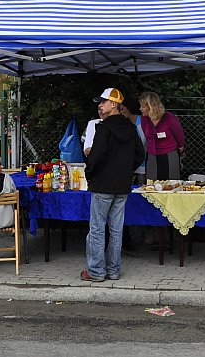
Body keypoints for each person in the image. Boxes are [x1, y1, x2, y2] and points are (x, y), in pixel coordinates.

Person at [81, 88, 145, 282]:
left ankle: (96, 271)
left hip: (103, 184)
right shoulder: (130, 128)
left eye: (103, 102)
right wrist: (126, 170)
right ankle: (113, 270)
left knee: (97, 229)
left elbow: (95, 157)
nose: (100, 106)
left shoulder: (104, 128)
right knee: (116, 230)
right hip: (122, 185)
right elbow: (140, 154)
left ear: (114, 104)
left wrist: (90, 175)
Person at [139, 91, 185, 181]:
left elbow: (180, 137)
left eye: (143, 106)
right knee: (152, 183)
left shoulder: (170, 118)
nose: (140, 109)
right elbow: (147, 135)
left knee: (171, 183)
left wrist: (180, 147)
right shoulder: (144, 119)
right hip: (152, 156)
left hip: (169, 155)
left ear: (151, 106)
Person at [121, 96, 147, 185]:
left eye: (122, 109)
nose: (121, 112)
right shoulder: (124, 123)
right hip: (129, 163)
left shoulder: (144, 121)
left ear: (129, 108)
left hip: (144, 163)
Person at [83, 92, 111, 157]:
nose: (101, 111)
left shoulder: (125, 125)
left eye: (104, 103)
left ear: (113, 105)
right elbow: (87, 150)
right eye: (99, 109)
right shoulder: (93, 124)